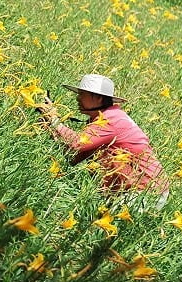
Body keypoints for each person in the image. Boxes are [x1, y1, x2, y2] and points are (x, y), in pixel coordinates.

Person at [38, 74, 170, 211]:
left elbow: (76, 143)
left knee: (100, 226)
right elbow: (74, 157)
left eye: (82, 94)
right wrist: (50, 129)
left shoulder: (111, 120)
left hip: (146, 192)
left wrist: (54, 121)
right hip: (131, 190)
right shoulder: (103, 118)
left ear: (98, 98)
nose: (77, 98)